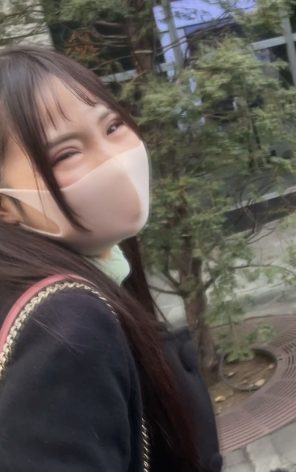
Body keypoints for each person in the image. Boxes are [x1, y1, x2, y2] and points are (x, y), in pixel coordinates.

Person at [0, 46, 222, 472]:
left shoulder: (93, 277)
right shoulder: (65, 327)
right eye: (66, 153)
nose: (113, 159)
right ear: (5, 206)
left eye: (113, 125)